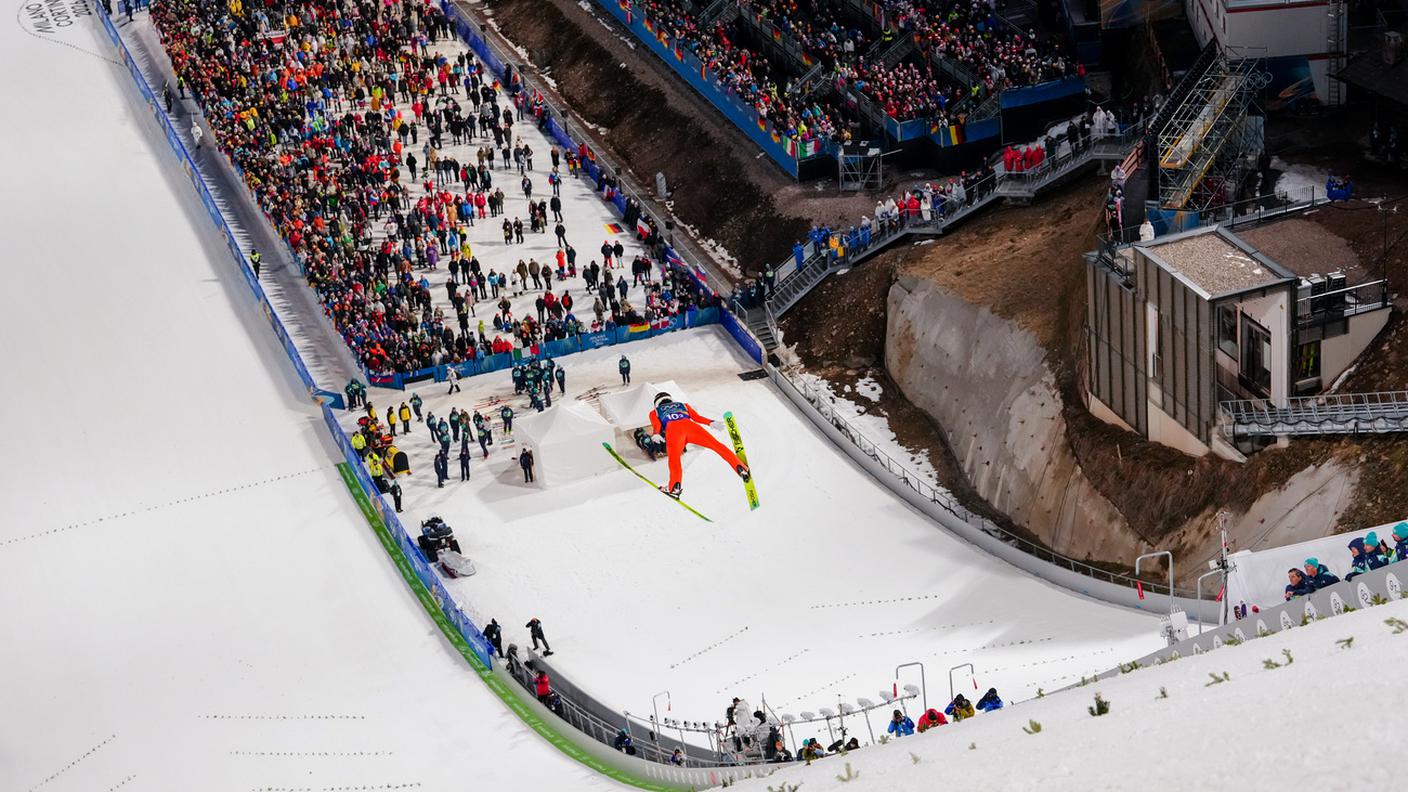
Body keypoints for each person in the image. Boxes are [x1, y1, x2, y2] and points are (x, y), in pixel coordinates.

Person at [648, 392, 749, 498]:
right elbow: (696, 417)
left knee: (674, 460)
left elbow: (656, 425)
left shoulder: (654, 412)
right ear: (670, 399)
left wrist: (656, 434)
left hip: (674, 432)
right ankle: (740, 467)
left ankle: (674, 487)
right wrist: (710, 422)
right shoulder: (683, 405)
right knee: (717, 446)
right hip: (691, 427)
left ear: (656, 403)